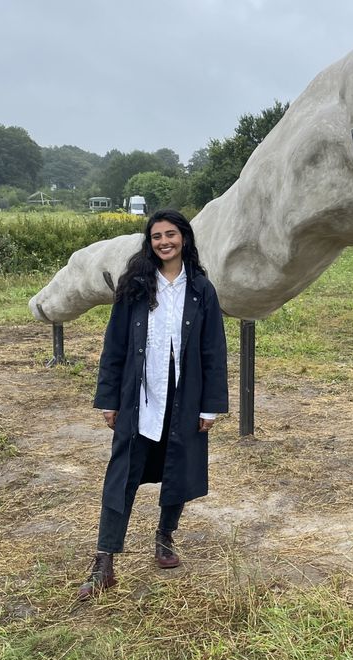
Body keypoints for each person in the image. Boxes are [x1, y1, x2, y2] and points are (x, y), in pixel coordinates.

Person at [78, 209, 229, 601]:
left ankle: (164, 537)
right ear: (150, 242)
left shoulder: (201, 290)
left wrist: (210, 406)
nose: (164, 242)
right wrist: (109, 399)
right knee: (121, 475)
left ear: (184, 238)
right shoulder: (134, 287)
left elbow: (213, 351)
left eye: (171, 234)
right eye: (157, 236)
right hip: (139, 398)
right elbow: (114, 347)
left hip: (184, 397)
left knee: (177, 468)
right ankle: (104, 561)